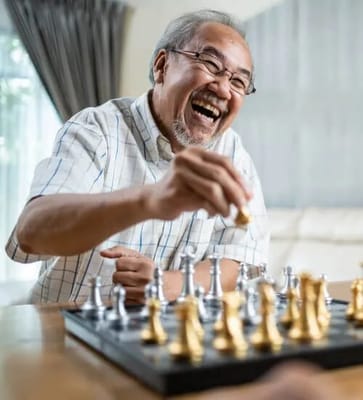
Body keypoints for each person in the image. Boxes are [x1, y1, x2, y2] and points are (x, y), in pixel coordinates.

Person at [6, 9, 269, 304]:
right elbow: (32, 231)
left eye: (238, 82)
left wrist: (169, 284)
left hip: (162, 340)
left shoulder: (232, 152)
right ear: (162, 66)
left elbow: (239, 257)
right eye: (210, 63)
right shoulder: (96, 129)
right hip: (64, 332)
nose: (222, 88)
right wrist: (149, 200)